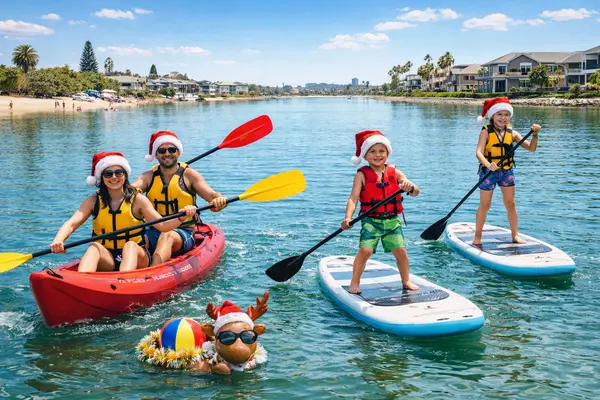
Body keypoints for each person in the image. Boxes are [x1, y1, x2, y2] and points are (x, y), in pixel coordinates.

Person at [50, 152, 197, 272]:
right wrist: (58, 240)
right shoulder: (93, 201)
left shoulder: (138, 200)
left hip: (137, 257)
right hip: (108, 258)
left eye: (118, 172)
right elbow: (72, 223)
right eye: (108, 174)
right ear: (101, 177)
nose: (114, 177)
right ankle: (82, 282)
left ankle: (124, 281)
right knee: (94, 247)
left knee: (130, 246)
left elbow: (163, 226)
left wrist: (182, 217)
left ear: (125, 175)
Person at [341, 130, 420, 294]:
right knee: (365, 251)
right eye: (372, 151)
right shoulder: (361, 175)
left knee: (400, 252)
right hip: (371, 221)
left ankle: (406, 281)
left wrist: (410, 187)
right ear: (365, 155)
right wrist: (348, 218)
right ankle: (354, 283)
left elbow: (415, 192)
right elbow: (353, 198)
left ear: (387, 153)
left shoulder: (395, 173)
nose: (377, 155)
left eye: (381, 151)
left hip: (392, 221)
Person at [132, 131, 227, 266]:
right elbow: (128, 191)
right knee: (134, 239)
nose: (167, 154)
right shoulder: (147, 177)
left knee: (167, 236)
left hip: (182, 231)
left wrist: (219, 200)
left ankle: (152, 272)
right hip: (153, 230)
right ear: (156, 155)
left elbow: (212, 196)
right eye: (162, 151)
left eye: (172, 150)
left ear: (178, 153)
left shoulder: (190, 176)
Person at [473, 97, 541, 245]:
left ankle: (515, 235)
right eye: (499, 114)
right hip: (488, 173)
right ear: (492, 116)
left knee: (510, 203)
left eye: (506, 115)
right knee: (485, 205)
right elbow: (478, 152)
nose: (503, 118)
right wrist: (488, 164)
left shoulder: (513, 134)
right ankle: (477, 237)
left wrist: (535, 134)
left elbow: (531, 148)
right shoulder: (485, 132)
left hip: (506, 173)